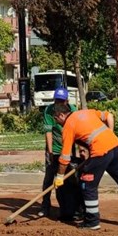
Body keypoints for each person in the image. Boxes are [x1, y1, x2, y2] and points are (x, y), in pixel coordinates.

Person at [53, 105, 118, 231]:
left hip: (101, 154)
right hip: (117, 148)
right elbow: (109, 116)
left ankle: (92, 221)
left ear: (61, 115)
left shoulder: (68, 125)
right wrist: (109, 134)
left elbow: (65, 157)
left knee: (87, 184)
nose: (57, 123)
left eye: (56, 119)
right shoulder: (87, 112)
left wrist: (59, 177)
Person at [41, 87, 81, 220]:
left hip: (68, 149)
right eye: (57, 100)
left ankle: (75, 209)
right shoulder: (49, 111)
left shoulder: (73, 110)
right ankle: (45, 207)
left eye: (61, 101)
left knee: (70, 179)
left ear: (66, 101)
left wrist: (79, 150)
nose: (59, 103)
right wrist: (51, 152)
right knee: (49, 178)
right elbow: (48, 131)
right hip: (55, 149)